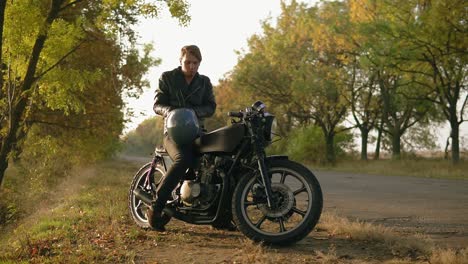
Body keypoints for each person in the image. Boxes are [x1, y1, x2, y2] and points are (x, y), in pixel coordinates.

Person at [147, 45, 216, 231]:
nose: (191, 66)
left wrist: (193, 112)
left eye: (195, 63)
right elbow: (157, 104)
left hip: (197, 131)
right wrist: (171, 111)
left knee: (218, 161)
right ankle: (156, 206)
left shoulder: (204, 82)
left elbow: (211, 107)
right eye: (188, 62)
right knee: (183, 158)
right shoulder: (167, 78)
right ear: (180, 60)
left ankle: (219, 215)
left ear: (199, 63)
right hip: (173, 131)